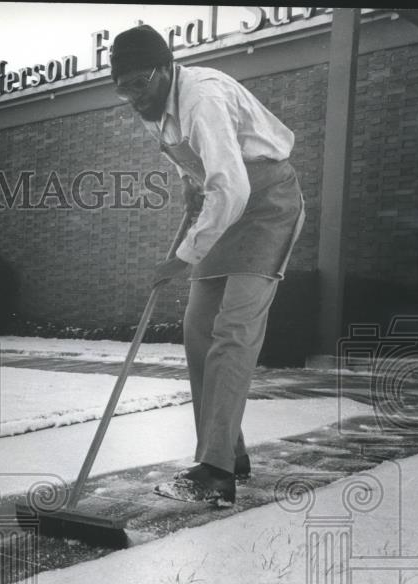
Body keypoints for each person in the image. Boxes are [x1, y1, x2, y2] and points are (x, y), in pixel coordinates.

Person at [109, 25, 305, 506]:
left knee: (234, 332)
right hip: (221, 207)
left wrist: (181, 257)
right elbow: (196, 171)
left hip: (265, 206)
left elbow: (233, 187)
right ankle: (228, 452)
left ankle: (215, 473)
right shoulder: (156, 104)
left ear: (166, 68)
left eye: (139, 84)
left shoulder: (203, 98)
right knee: (198, 329)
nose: (133, 97)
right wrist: (188, 192)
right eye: (123, 87)